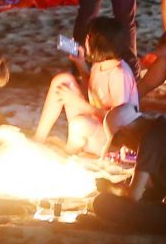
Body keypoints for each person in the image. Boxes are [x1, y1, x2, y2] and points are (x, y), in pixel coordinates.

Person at [83, 117, 166, 238]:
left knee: (102, 202)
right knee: (149, 194)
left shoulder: (149, 140)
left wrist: (109, 187)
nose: (127, 148)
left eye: (122, 142)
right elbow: (154, 182)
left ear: (125, 130)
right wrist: (123, 185)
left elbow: (133, 195)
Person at [34, 19, 140, 156]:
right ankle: (38, 139)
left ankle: (69, 153)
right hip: (94, 125)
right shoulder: (99, 65)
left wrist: (80, 104)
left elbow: (119, 121)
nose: (86, 40)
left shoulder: (119, 74)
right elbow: (94, 89)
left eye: (89, 37)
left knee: (80, 124)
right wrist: (81, 63)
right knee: (62, 80)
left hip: (114, 144)